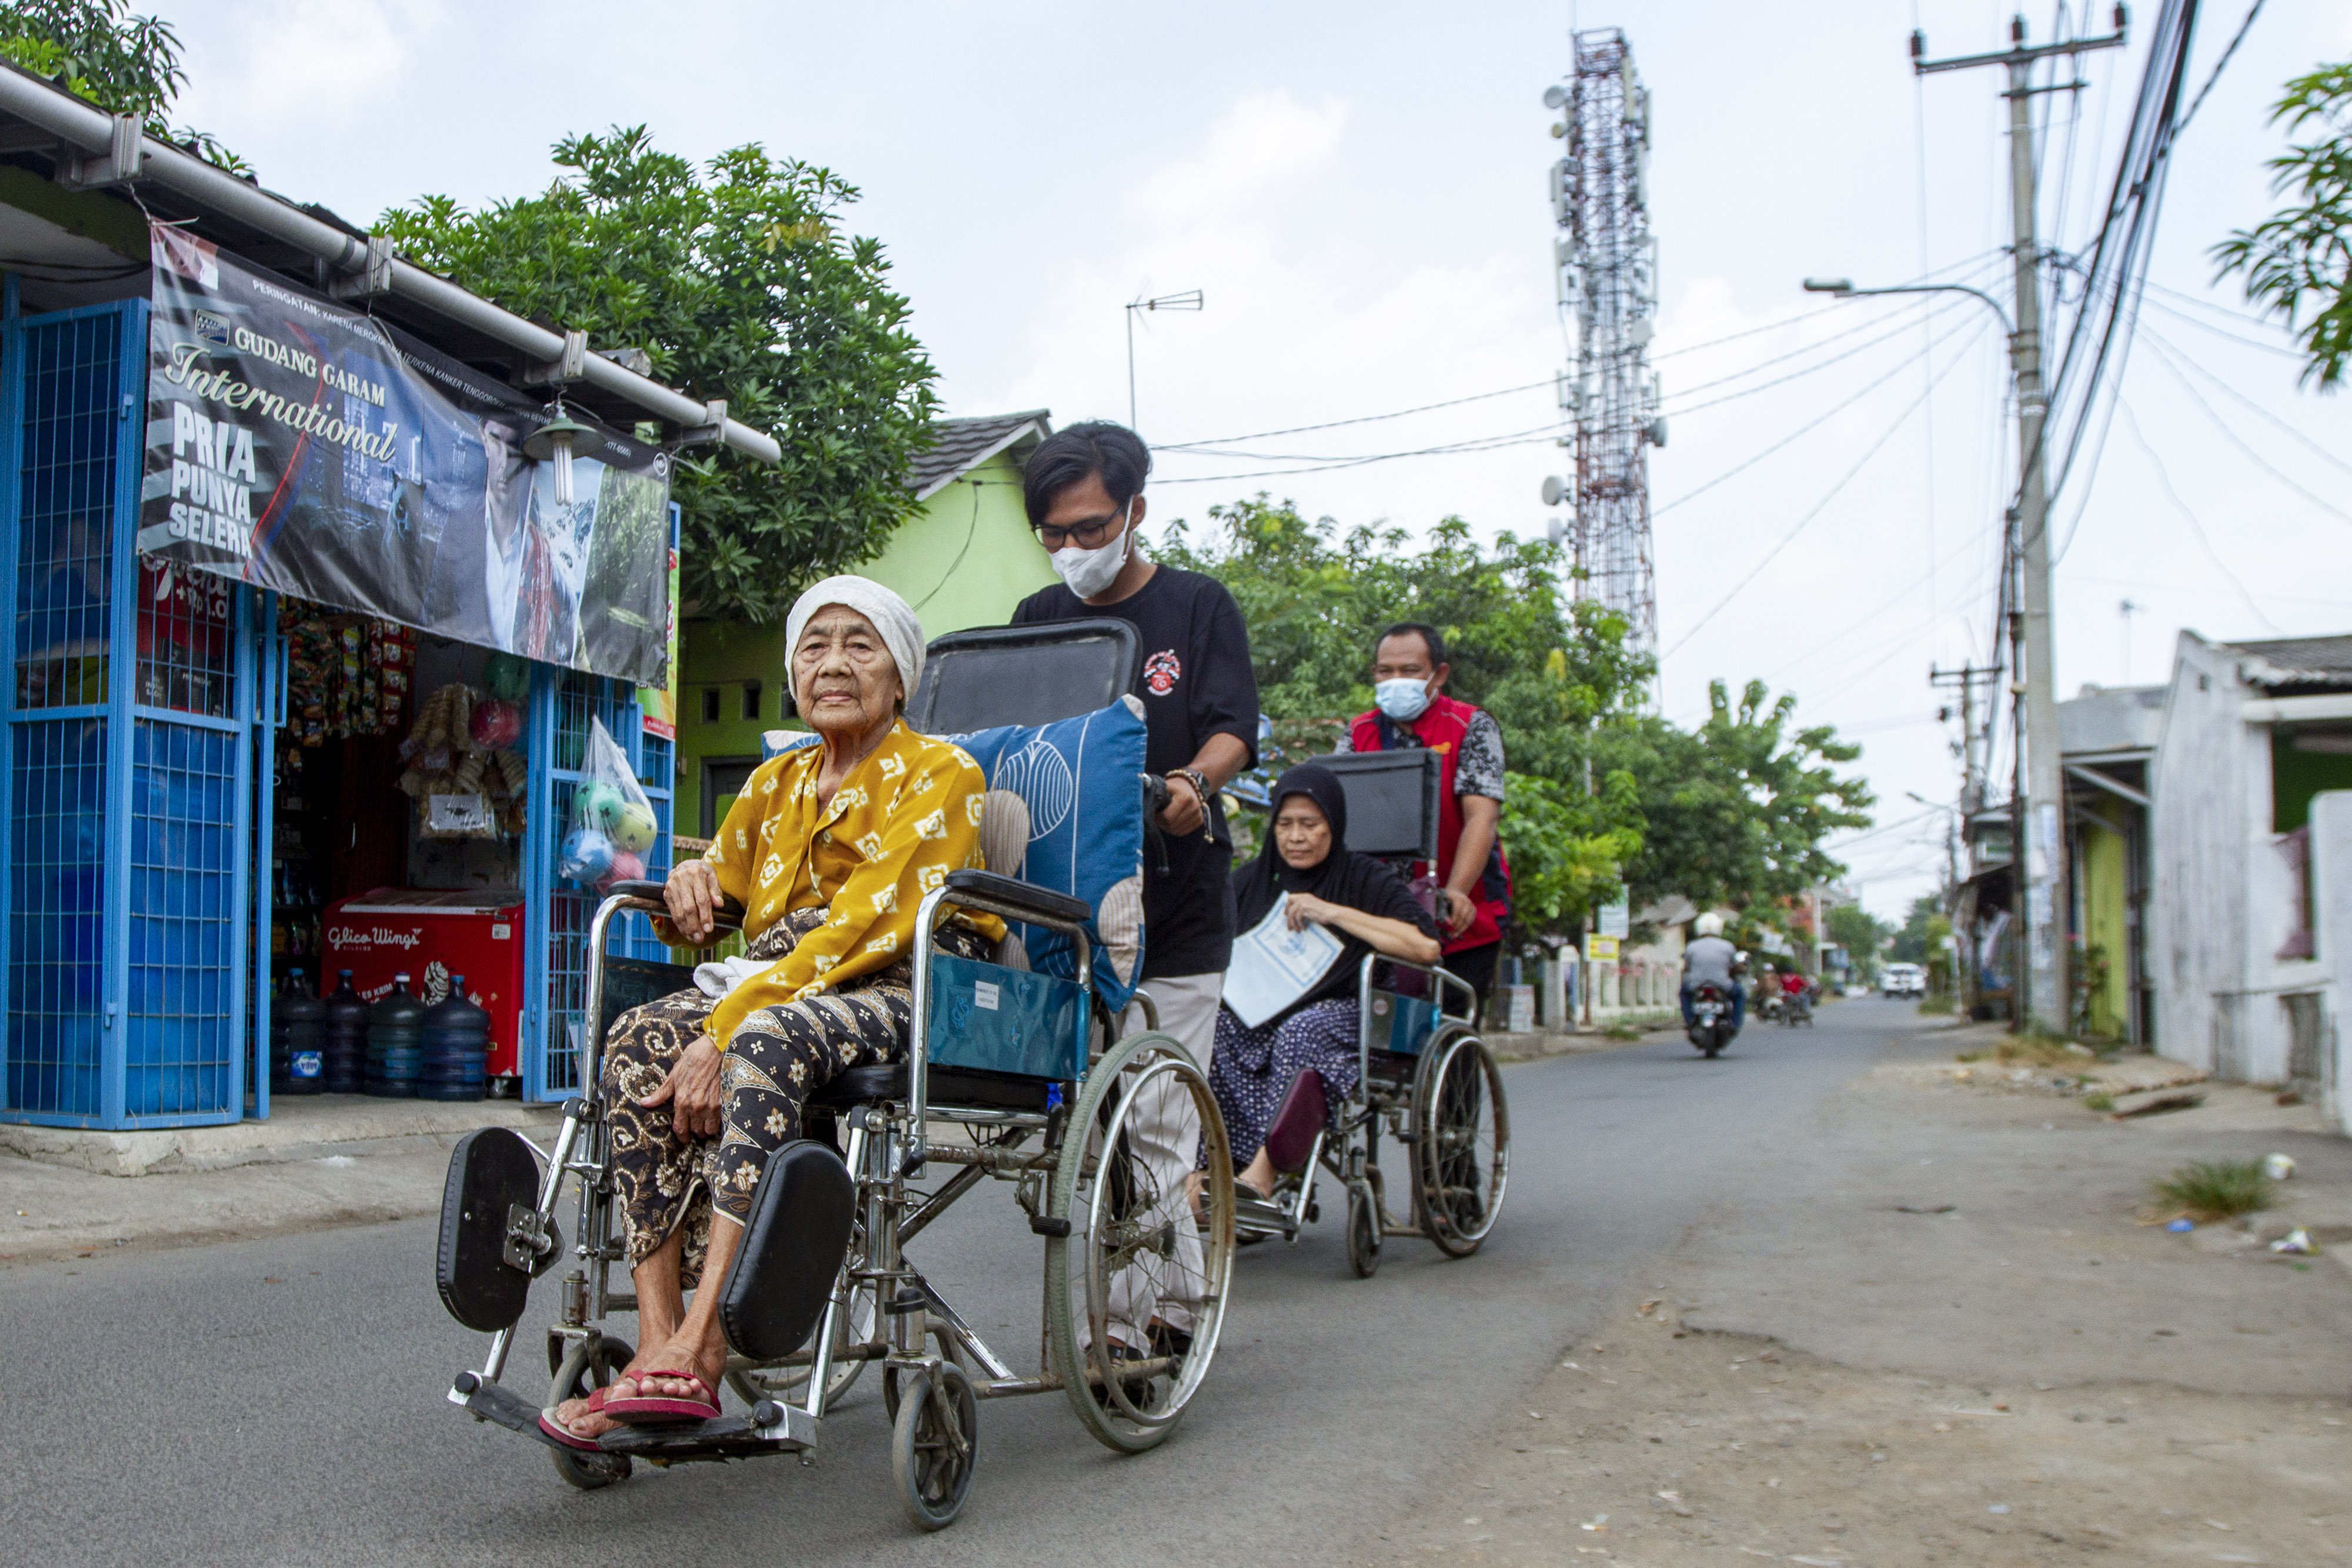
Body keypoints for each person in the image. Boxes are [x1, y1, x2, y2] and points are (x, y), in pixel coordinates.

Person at [542, 576, 1002, 1445]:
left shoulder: (943, 773)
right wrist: (690, 880)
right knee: (636, 1038)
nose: (833, 664)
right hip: (782, 975)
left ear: (900, 675)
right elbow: (724, 896)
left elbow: (864, 926)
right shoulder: (775, 780)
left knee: (763, 1036)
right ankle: (653, 1340)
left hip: (903, 977)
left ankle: (704, 1343)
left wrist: (723, 1029)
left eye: (859, 645)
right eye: (814, 646)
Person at [1009, 421, 1258, 1360]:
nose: (1073, 549)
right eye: (1055, 534)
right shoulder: (1038, 617)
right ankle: (1157, 1295)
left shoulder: (1197, 606)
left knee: (1156, 1112)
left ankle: (1143, 1319)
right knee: (1093, 1115)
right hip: (1072, 905)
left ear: (1136, 511)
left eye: (1090, 526)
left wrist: (1194, 781)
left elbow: (1237, 727)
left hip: (1180, 902)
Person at [1212, 764, 1439, 1199]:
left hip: (1346, 1014)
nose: (1295, 836)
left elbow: (1425, 947)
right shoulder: (1252, 881)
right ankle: (1217, 1165)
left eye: (1309, 825)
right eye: (1285, 824)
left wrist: (1330, 911)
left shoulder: (1363, 877)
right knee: (1214, 1026)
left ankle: (1264, 1170)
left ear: (1333, 825)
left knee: (1304, 1029)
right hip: (1262, 1015)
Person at [1337, 623, 1510, 1012]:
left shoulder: (1471, 725)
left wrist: (1457, 892)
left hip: (1464, 915)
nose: (1396, 680)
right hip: (1383, 918)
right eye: (1386, 671)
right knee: (1381, 1037)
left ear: (1439, 674)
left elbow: (1481, 819)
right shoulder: (1358, 733)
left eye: (1410, 670)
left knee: (1452, 1030)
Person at [1679, 911, 1745, 1031]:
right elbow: (1735, 966)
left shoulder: (1691, 946)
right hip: (1723, 985)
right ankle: (1735, 1024)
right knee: (1740, 993)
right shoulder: (1727, 946)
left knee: (1684, 993)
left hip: (1696, 985)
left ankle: (1689, 1021)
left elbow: (1687, 967)